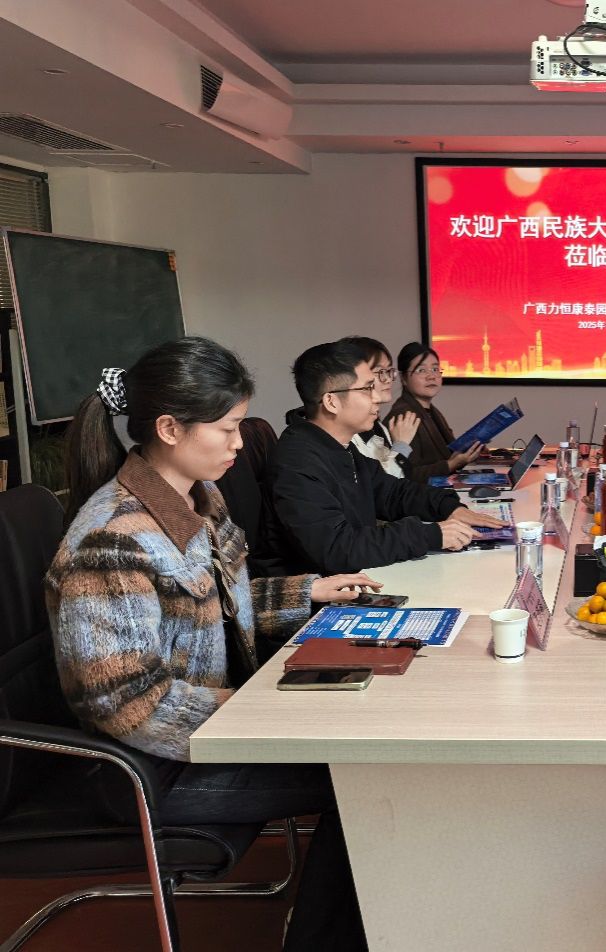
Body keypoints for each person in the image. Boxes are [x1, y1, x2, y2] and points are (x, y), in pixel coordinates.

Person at [48, 337, 380, 951]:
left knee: (369, 752)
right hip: (154, 767)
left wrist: (311, 591)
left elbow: (217, 602)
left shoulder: (198, 496)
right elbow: (126, 703)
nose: (238, 444)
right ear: (169, 428)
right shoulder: (111, 540)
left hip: (210, 731)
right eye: (227, 429)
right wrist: (262, 714)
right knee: (369, 777)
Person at [266, 339, 505, 575]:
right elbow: (338, 549)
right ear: (332, 401)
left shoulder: (339, 446)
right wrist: (430, 534)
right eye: (367, 388)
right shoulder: (298, 460)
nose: (378, 397)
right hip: (328, 591)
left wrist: (449, 508)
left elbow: (392, 493)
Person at [386, 342, 483, 485]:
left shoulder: (431, 411)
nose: (431, 376)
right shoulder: (403, 417)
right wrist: (452, 464)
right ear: (403, 378)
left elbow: (449, 454)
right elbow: (405, 475)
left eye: (435, 369)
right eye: (421, 370)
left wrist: (470, 449)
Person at [342, 335, 418, 479]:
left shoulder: (378, 426)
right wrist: (401, 446)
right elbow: (381, 485)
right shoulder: (346, 431)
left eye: (389, 371)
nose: (388, 379)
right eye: (380, 372)